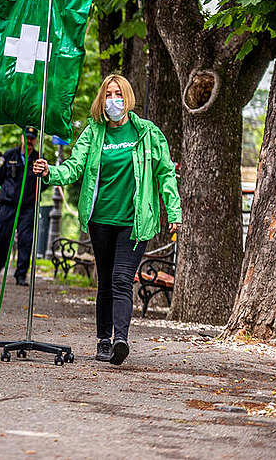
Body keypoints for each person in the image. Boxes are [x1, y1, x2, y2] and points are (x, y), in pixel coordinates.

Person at [33, 74, 181, 366]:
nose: (114, 100)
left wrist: (174, 212)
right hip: (100, 219)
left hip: (134, 221)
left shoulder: (148, 133)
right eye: (109, 94)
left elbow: (165, 173)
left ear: (128, 98)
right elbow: (75, 167)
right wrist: (51, 172)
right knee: (105, 282)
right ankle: (103, 339)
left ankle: (120, 340)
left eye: (119, 94)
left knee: (122, 279)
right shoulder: (93, 132)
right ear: (102, 99)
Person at [0, 126, 40, 286]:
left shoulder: (39, 158)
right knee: (1, 237)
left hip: (27, 206)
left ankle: (21, 275)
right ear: (22, 138)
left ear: (36, 140)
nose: (29, 141)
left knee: (25, 240)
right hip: (8, 204)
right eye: (27, 138)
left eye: (32, 138)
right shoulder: (9, 155)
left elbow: (44, 182)